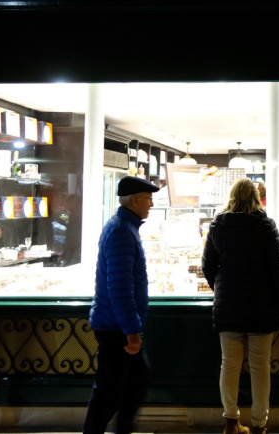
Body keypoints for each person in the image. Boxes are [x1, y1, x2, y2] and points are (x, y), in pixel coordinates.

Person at [202, 178, 279, 434]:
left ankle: (231, 422)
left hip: (228, 308)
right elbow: (278, 271)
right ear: (255, 197)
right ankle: (260, 425)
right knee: (260, 368)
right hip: (261, 309)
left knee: (229, 365)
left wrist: (221, 289)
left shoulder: (218, 224)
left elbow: (208, 266)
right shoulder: (266, 225)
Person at [83, 176, 157, 434]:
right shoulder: (121, 232)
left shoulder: (125, 228)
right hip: (116, 327)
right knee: (108, 393)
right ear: (135, 200)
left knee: (134, 384)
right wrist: (131, 331)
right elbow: (120, 287)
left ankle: (122, 431)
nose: (151, 204)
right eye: (148, 199)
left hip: (119, 325)